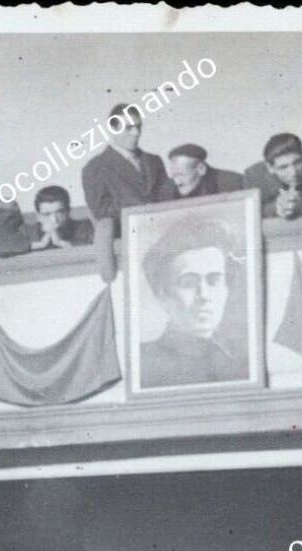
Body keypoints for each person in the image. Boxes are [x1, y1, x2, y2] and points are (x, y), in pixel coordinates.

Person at [137, 214, 250, 389]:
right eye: (188, 283)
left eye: (213, 281)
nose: (203, 295)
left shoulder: (238, 363)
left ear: (226, 289)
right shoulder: (144, 363)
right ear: (163, 295)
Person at [81, 103, 171, 232]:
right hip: (127, 238)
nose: (136, 133)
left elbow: (167, 197)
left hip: (163, 230)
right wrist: (142, 208)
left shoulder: (154, 161)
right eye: (129, 128)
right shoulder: (95, 167)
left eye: (138, 127)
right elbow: (101, 211)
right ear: (113, 129)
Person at [157, 143, 245, 200]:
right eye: (174, 176)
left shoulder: (232, 183)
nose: (177, 182)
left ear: (201, 169)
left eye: (181, 175)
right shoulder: (166, 191)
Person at [31, 185, 94, 249]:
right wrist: (39, 245)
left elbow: (95, 248)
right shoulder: (29, 232)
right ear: (38, 216)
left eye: (59, 212)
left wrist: (60, 242)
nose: (54, 220)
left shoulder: (84, 227)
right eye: (47, 214)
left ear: (68, 211)